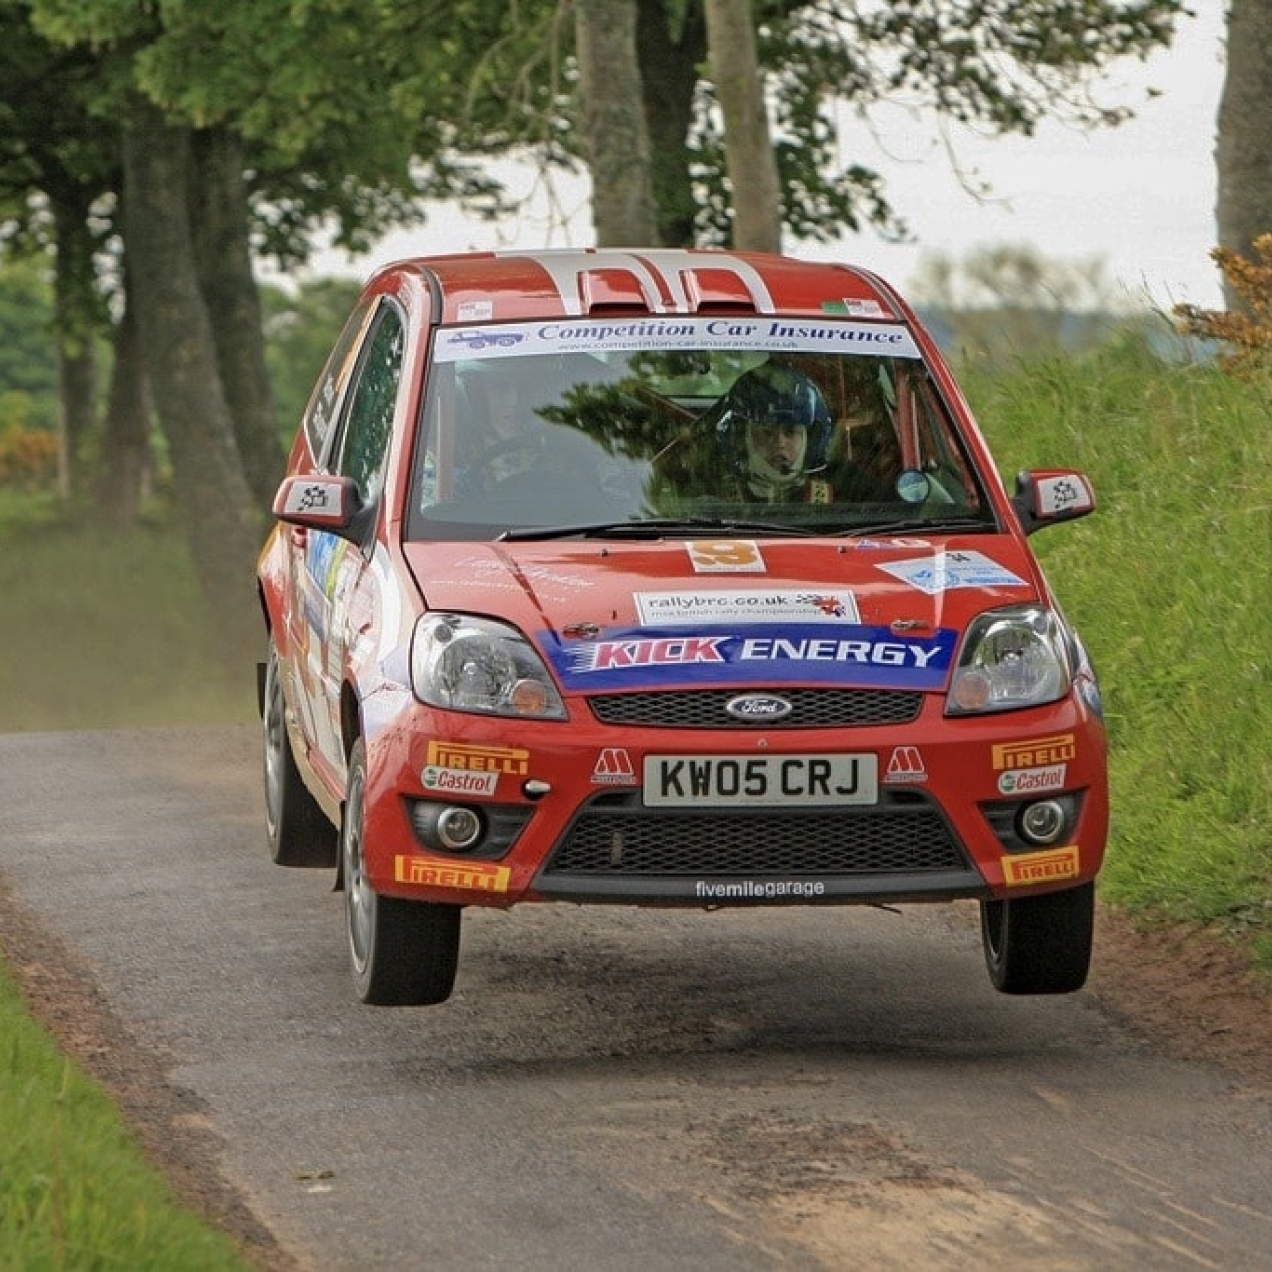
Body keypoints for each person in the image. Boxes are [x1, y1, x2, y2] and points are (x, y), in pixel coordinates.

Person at [714, 363, 835, 504]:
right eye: (766, 432)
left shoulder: (837, 504)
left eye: (790, 432)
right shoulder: (717, 504)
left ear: (810, 440)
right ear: (743, 439)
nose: (780, 443)